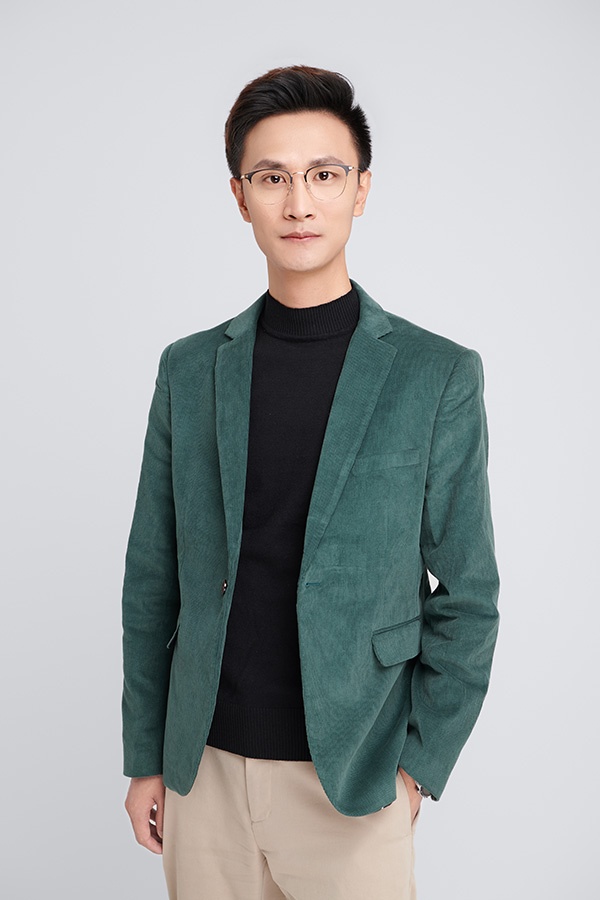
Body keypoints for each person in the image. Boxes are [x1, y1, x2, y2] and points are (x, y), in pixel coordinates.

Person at [122, 65, 500, 900]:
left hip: (355, 781)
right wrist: (146, 757)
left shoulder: (435, 375)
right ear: (239, 196)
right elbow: (152, 577)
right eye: (272, 178)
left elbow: (469, 596)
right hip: (202, 773)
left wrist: (416, 771)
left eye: (324, 175)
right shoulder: (190, 369)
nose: (299, 203)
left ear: (361, 189)